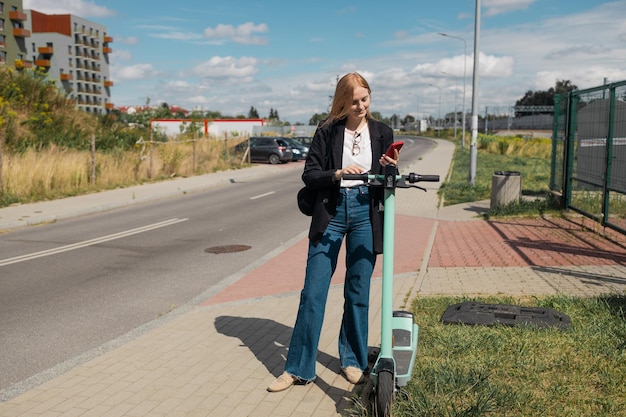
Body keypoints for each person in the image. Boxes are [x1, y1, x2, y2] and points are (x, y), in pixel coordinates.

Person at [267, 72, 398, 392]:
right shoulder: (327, 131)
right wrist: (338, 173)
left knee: (358, 291)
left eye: (365, 99)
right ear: (341, 101)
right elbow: (310, 175)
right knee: (313, 292)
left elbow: (390, 179)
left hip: (366, 213)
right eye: (353, 101)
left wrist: (390, 166)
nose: (360, 106)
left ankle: (353, 359)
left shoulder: (382, 132)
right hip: (333, 212)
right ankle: (298, 367)